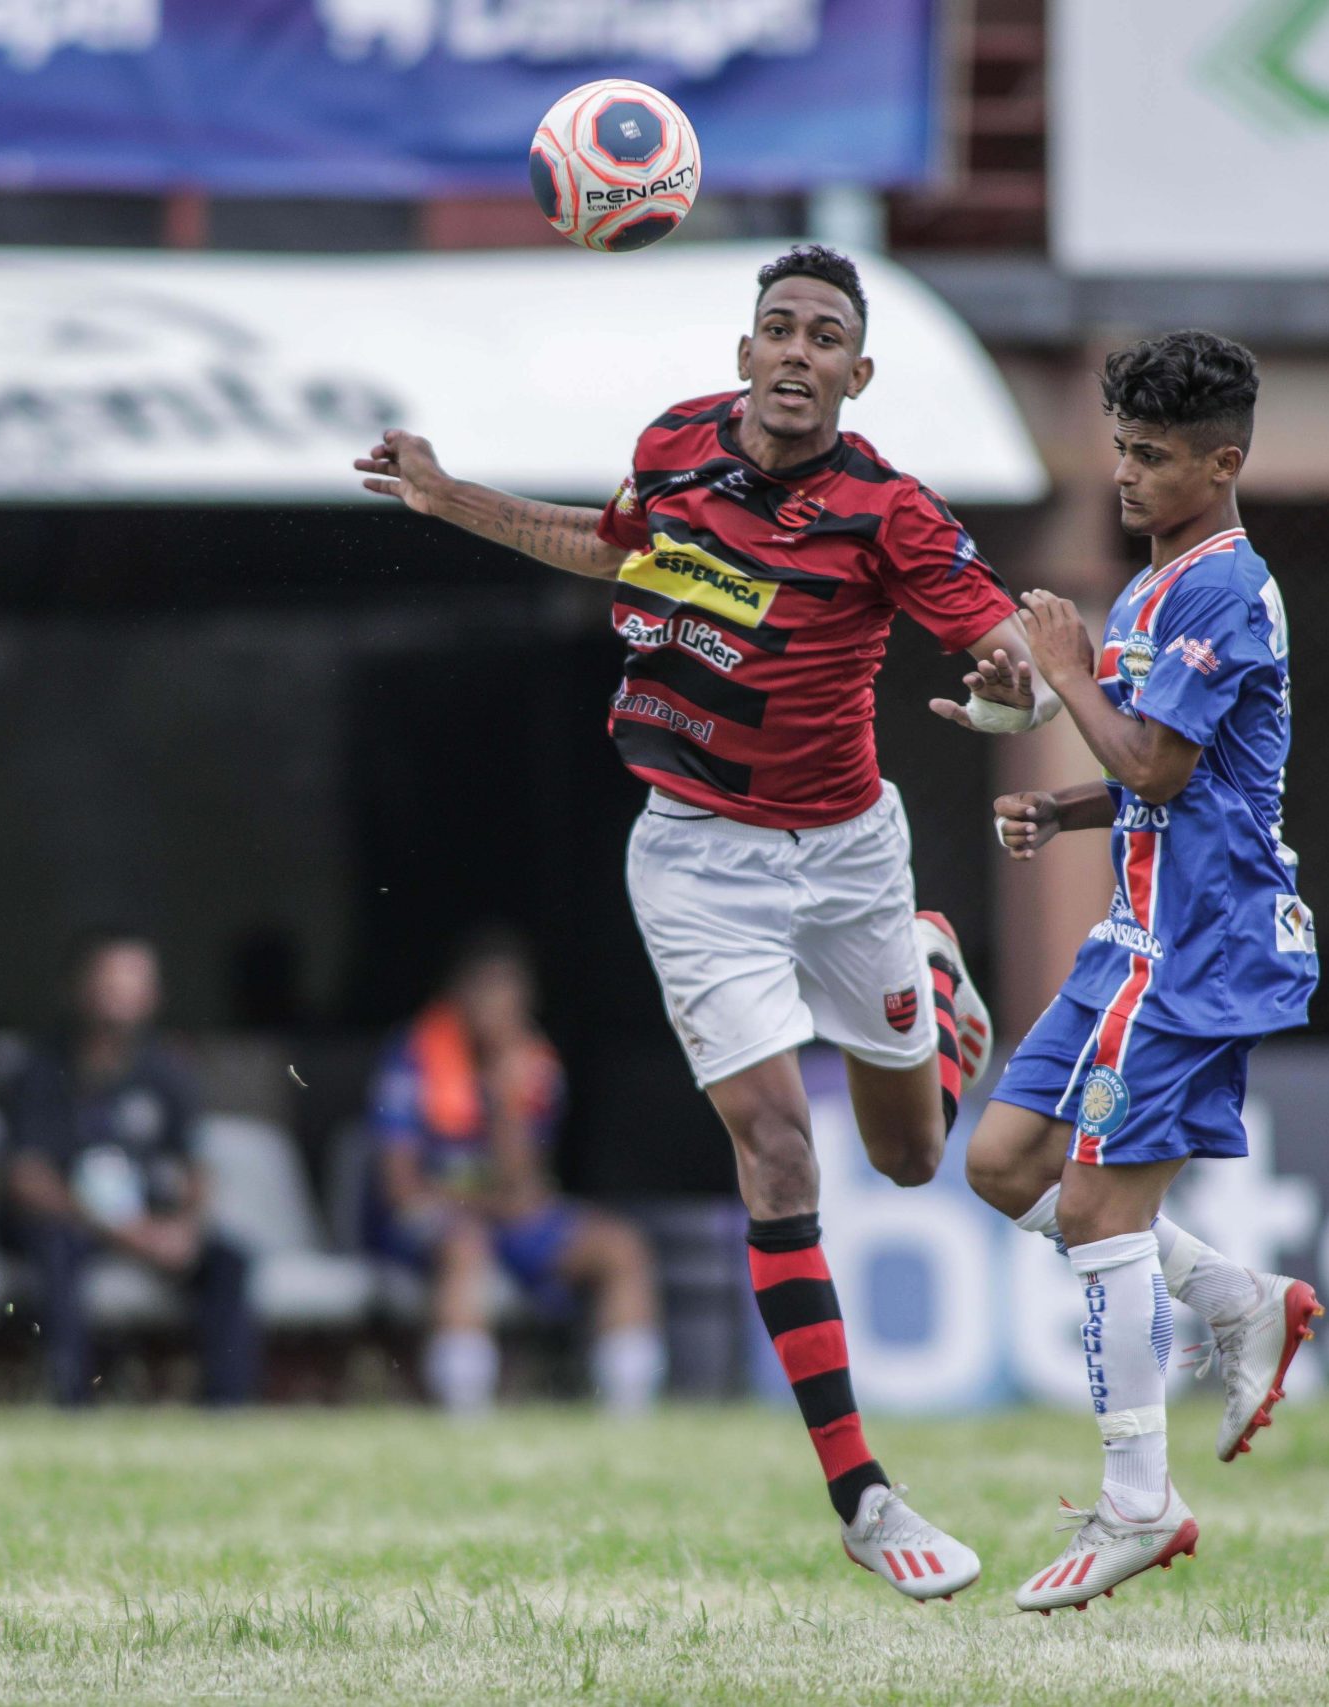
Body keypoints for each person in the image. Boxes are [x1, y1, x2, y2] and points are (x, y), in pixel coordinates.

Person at [357, 244, 1051, 1601]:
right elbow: (606, 551)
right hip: (695, 856)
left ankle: (931, 965)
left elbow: (998, 651)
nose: (797, 351)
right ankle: (861, 1489)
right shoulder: (674, 447)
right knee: (779, 1148)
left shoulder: (891, 511)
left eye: (825, 336)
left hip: (852, 857)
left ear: (859, 372)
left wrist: (1014, 688)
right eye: (777, 328)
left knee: (911, 1157)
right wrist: (448, 498)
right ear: (746, 356)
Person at [960, 331, 1323, 1614]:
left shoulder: (1224, 586)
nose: (1123, 472)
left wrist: (1062, 672)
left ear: (1221, 464)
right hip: (1134, 934)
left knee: (1102, 1215)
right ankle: (1234, 1297)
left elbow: (1161, 769)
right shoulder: (1157, 582)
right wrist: (1062, 810)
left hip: (1200, 946)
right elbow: (1168, 776)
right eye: (1118, 446)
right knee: (1003, 1165)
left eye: (1153, 455)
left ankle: (1137, 1504)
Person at [364, 928, 665, 1416]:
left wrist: (506, 1102)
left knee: (622, 1248)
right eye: (483, 988)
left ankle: (629, 1414)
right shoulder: (412, 1056)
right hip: (432, 1222)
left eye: (508, 992)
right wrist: (488, 1206)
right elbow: (400, 1187)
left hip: (505, 1219)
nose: (495, 1005)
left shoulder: (535, 1067)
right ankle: (465, 1415)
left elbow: (525, 1186)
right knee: (466, 1245)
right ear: (457, 993)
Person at [4, 933, 259, 1407]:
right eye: (109, 982)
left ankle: (229, 1407)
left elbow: (196, 1166)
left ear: (154, 996)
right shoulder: (39, 1071)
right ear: (79, 989)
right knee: (53, 1247)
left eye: (133, 983)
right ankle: (71, 1403)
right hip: (78, 1224)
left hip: (151, 1221)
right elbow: (26, 1178)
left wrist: (186, 1226)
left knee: (230, 1259)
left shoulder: (168, 1073)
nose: (120, 997)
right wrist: (118, 1229)